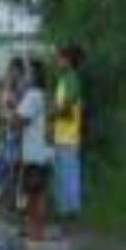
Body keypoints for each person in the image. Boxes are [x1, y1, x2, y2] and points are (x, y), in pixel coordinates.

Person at [14, 59, 53, 241]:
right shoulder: (46, 95)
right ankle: (40, 231)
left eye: (28, 73)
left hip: (33, 152)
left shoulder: (32, 96)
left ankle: (33, 231)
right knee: (41, 192)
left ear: (34, 75)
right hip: (45, 152)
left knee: (32, 193)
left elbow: (20, 120)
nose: (25, 76)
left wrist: (10, 116)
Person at [50, 44, 85, 221]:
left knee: (69, 175)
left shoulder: (71, 79)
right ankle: (65, 210)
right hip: (62, 134)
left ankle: (71, 211)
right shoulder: (63, 79)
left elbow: (67, 105)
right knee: (63, 175)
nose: (57, 61)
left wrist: (53, 113)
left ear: (68, 61)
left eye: (60, 58)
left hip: (69, 136)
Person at [0, 57, 27, 214]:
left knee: (17, 168)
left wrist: (12, 103)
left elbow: (19, 109)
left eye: (12, 70)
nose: (10, 73)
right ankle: (11, 202)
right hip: (10, 130)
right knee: (10, 166)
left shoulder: (23, 87)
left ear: (18, 70)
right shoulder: (10, 86)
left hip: (19, 133)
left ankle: (19, 203)